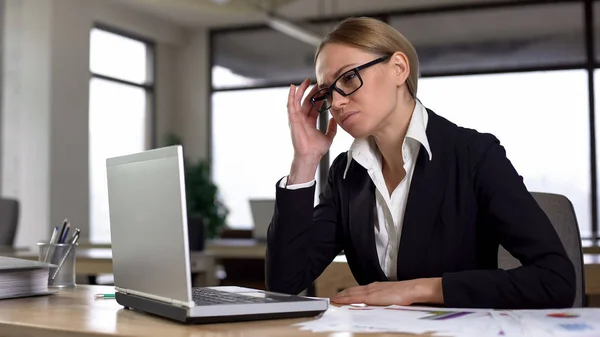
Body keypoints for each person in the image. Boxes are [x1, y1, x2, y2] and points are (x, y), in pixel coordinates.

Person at [265, 16, 575, 309]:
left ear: (399, 68)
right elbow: (283, 283)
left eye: (348, 78)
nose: (337, 102)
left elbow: (555, 279)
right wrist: (305, 160)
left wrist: (418, 289)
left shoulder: (474, 154)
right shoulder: (347, 174)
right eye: (327, 93)